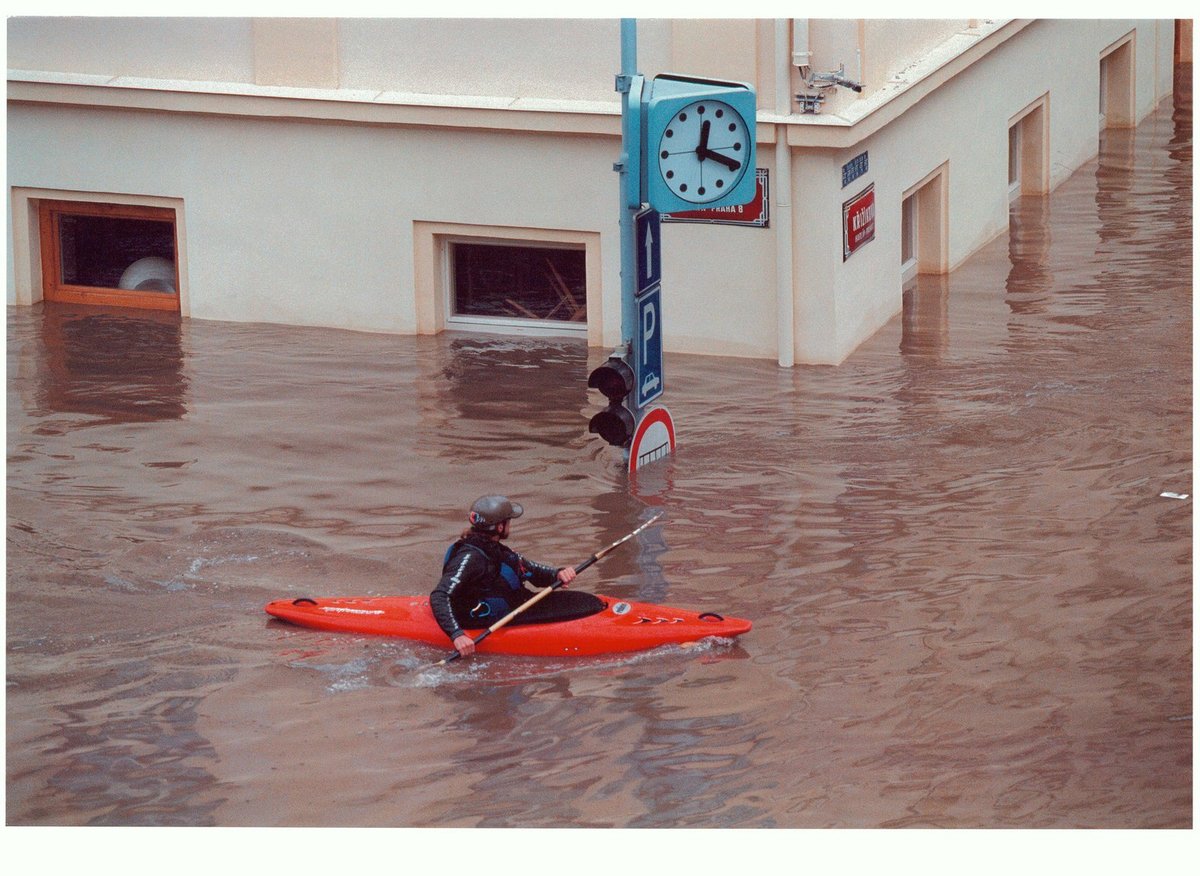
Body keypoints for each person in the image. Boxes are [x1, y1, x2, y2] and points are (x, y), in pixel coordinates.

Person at [431, 495, 577, 658]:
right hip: (483, 620)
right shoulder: (471, 557)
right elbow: (440, 595)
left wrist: (557, 573)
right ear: (500, 527)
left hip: (516, 607)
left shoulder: (495, 549)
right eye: (508, 521)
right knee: (578, 607)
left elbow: (533, 572)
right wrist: (457, 635)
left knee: (580, 600)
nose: (510, 525)